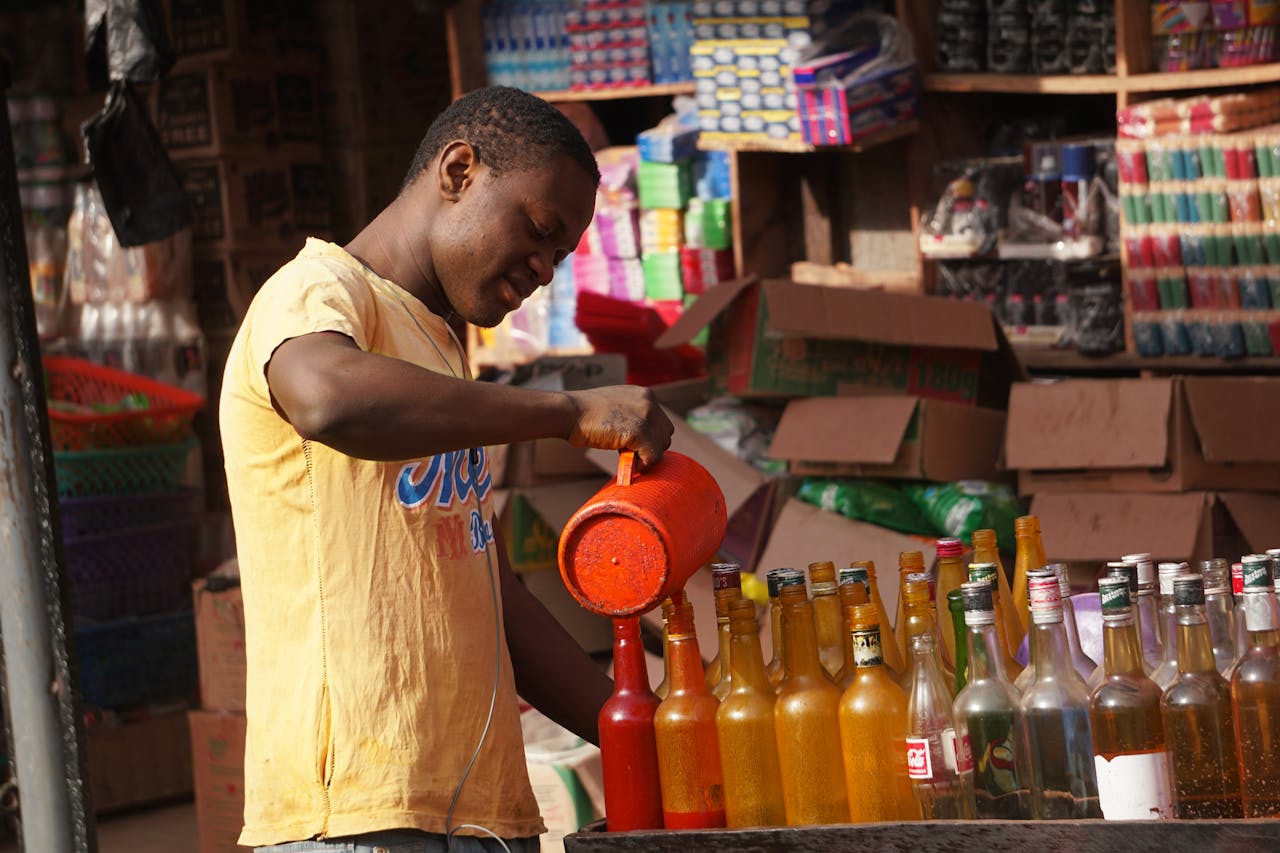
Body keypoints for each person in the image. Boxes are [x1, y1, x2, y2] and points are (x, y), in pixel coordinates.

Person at [219, 86, 674, 853]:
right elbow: (326, 397)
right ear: (459, 169)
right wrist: (564, 412)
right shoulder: (317, 292)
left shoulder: (439, 349)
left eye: (559, 255)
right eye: (537, 230)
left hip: (481, 813)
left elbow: (497, 600)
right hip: (361, 814)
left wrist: (652, 735)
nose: (544, 270)